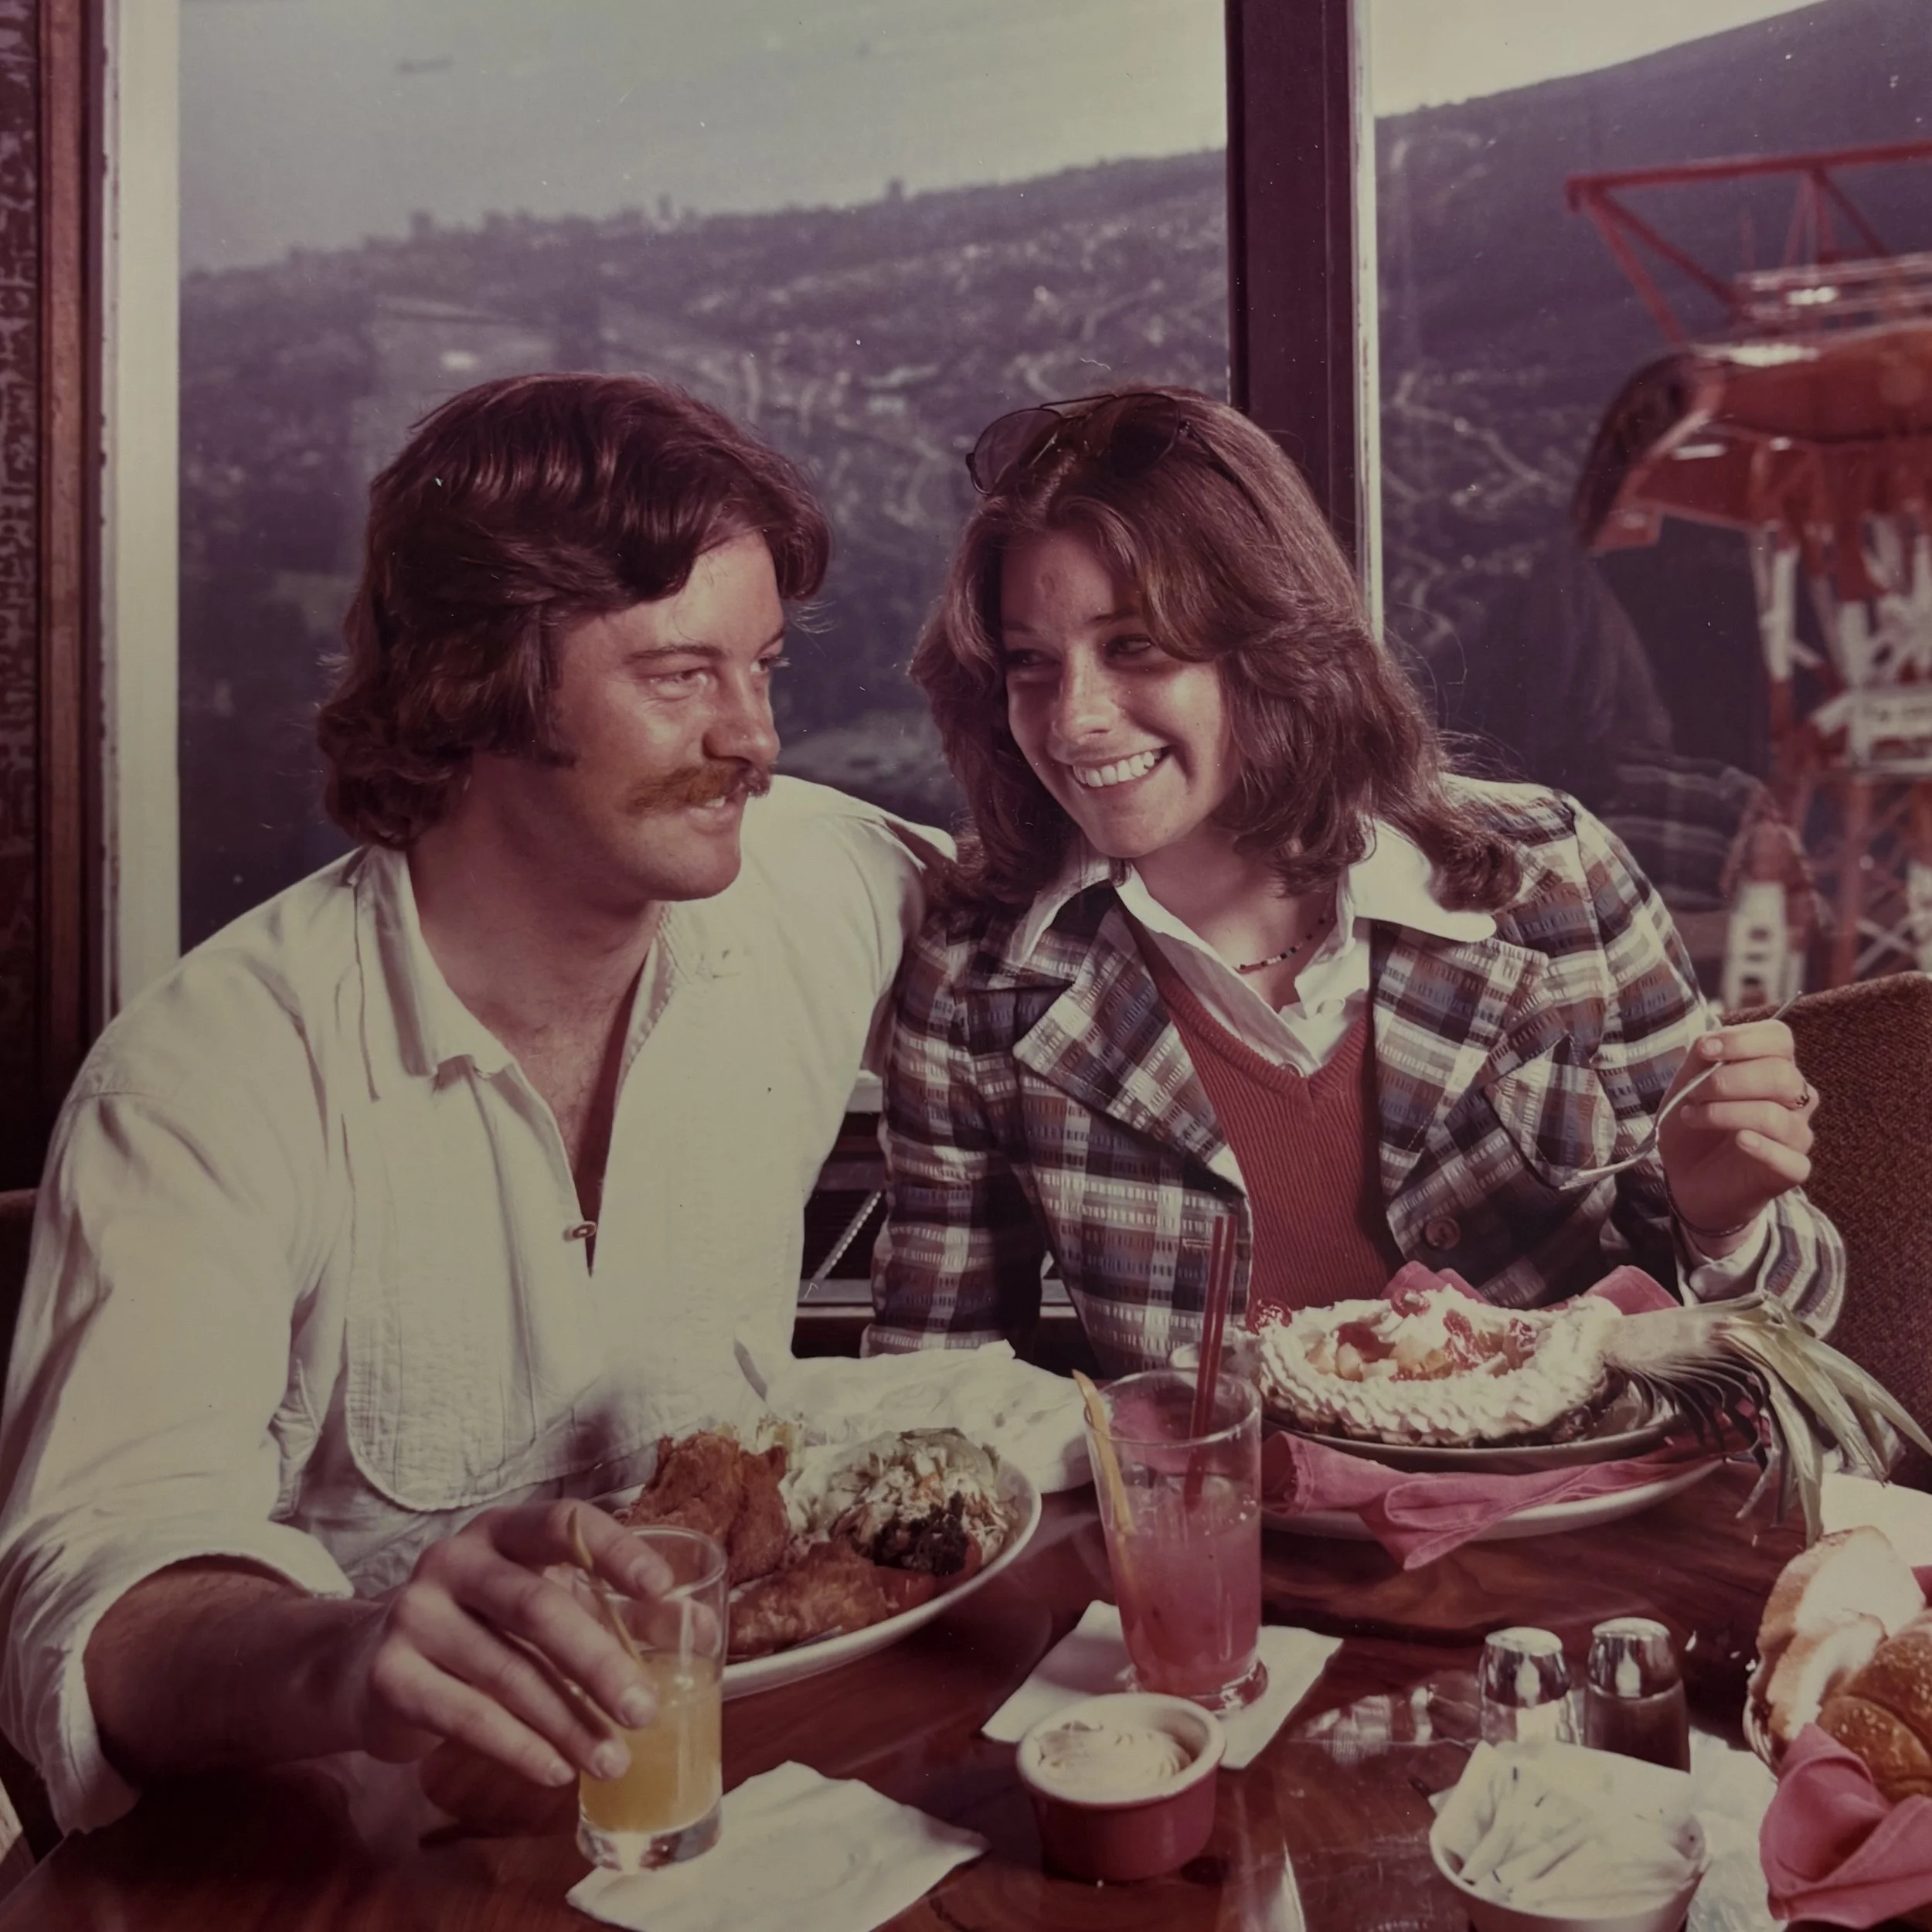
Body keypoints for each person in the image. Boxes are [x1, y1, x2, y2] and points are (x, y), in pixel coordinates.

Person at [0, 373, 938, 1833]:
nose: (755, 738)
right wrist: (347, 1655)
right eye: (682, 675)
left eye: (768, 669)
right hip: (372, 1866)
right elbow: (101, 1603)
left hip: (753, 1815)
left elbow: (1131, 896)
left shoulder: (813, 880)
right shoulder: (211, 1073)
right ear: (478, 681)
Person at [866, 387, 1844, 1376]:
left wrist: (1718, 1227)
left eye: (1134, 646)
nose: (1072, 719)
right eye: (1030, 662)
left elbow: (1797, 1328)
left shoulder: (1553, 878)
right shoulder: (973, 982)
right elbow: (932, 1387)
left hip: (1584, 1518)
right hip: (1228, 1529)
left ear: (1271, 645)